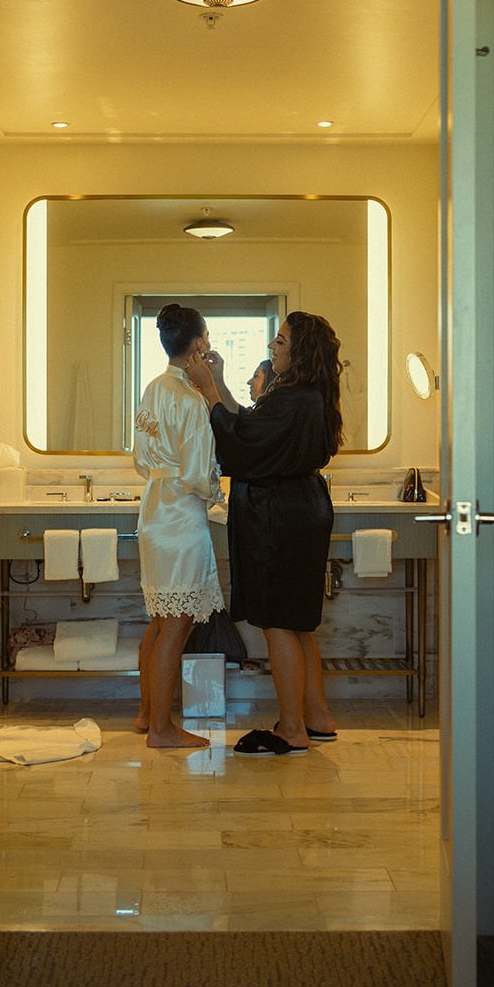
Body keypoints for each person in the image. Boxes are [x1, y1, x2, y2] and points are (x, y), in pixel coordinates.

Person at [187, 312, 343, 755]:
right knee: (299, 624)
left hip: (281, 516)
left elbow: (241, 446)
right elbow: (250, 427)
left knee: (279, 623)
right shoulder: (307, 396)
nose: (272, 348)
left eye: (280, 341)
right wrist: (218, 382)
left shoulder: (293, 399)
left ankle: (291, 730)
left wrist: (207, 390)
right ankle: (317, 717)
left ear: (300, 351)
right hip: (302, 509)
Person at [132, 303, 225, 749]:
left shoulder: (151, 389)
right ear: (199, 344)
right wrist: (216, 491)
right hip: (181, 516)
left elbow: (139, 460)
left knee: (159, 620)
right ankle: (162, 730)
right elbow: (196, 476)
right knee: (176, 624)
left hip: (153, 510)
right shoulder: (191, 400)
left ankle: (148, 712)